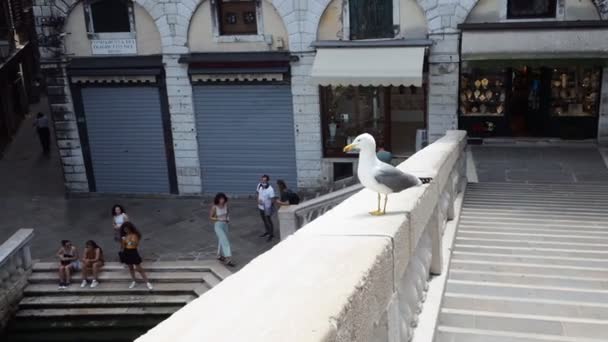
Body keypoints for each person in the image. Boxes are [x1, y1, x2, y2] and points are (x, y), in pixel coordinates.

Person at [121, 222, 153, 290]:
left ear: (130, 229)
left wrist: (126, 240)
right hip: (127, 251)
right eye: (124, 229)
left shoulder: (134, 235)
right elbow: (124, 246)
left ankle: (147, 282)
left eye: (127, 229)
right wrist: (123, 242)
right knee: (130, 268)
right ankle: (134, 281)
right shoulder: (125, 236)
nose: (126, 230)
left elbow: (134, 244)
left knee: (139, 268)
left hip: (133, 252)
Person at [209, 193, 235, 267]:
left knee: (221, 240)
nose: (222, 200)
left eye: (223, 199)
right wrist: (218, 218)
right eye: (220, 199)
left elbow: (227, 213)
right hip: (218, 225)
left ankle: (219, 255)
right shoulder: (214, 207)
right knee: (225, 241)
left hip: (225, 225)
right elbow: (211, 217)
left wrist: (227, 218)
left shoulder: (226, 205)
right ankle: (228, 259)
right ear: (217, 199)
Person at [257, 174, 276, 242]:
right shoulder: (259, 185)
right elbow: (258, 193)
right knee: (264, 220)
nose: (263, 182)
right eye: (262, 180)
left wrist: (268, 207)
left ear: (267, 181)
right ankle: (267, 231)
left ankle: (271, 234)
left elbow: (273, 200)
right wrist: (258, 200)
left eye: (264, 181)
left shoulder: (270, 189)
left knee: (268, 221)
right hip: (260, 207)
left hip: (267, 208)